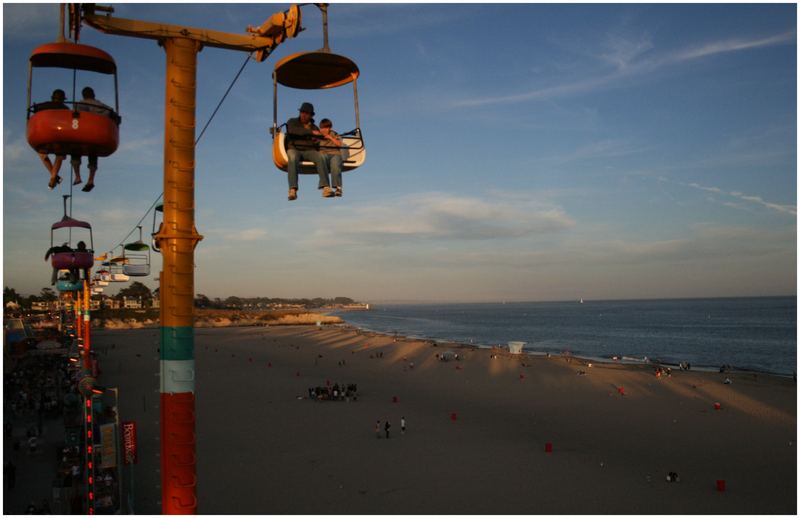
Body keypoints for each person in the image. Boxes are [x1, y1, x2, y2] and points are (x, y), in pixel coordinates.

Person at [285, 102, 331, 200]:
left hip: (309, 150)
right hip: (294, 148)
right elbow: (292, 131)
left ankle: (326, 187)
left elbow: (318, 140)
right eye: (302, 112)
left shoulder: (314, 127)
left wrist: (317, 139)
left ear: (311, 115)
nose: (304, 114)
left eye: (307, 113)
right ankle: (292, 189)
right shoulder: (292, 121)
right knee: (292, 157)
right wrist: (310, 132)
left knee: (320, 156)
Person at [72, 87, 114, 192]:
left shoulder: (78, 105)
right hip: (96, 135)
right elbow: (112, 112)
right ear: (93, 94)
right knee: (93, 155)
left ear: (83, 95)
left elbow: (75, 118)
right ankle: (91, 179)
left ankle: (77, 176)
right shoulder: (101, 106)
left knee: (75, 152)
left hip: (82, 133)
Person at [35, 89, 69, 189]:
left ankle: (54, 177)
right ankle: (54, 177)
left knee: (41, 153)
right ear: (63, 99)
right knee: (59, 154)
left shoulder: (44, 105)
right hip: (60, 135)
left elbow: (36, 108)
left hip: (46, 134)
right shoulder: (65, 109)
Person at [318, 118, 344, 197]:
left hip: (335, 153)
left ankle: (338, 188)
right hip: (323, 153)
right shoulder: (318, 135)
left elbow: (339, 144)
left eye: (326, 128)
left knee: (336, 164)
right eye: (322, 128)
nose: (324, 130)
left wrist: (330, 137)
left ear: (329, 128)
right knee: (321, 159)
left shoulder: (334, 134)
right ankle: (326, 187)